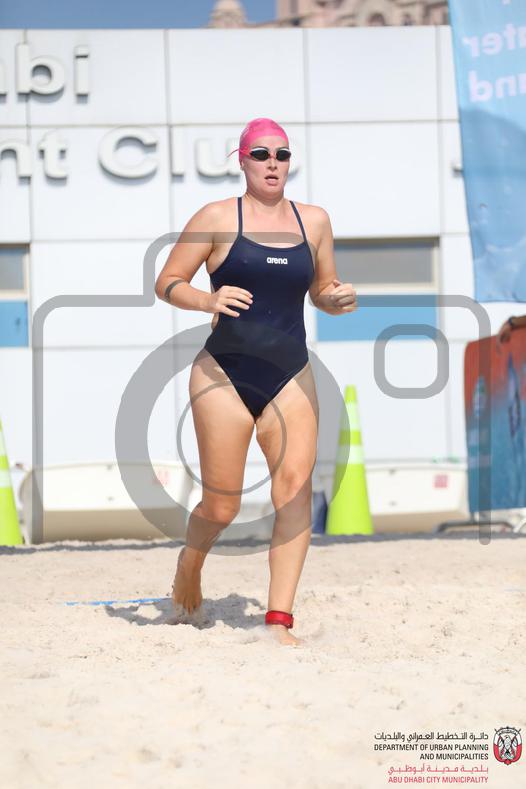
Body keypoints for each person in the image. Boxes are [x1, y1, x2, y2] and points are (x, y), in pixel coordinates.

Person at [155, 118, 357, 646]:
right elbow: (168, 282)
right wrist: (207, 298)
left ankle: (278, 621)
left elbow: (322, 289)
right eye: (261, 154)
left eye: (282, 154)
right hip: (223, 373)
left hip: (291, 372)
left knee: (294, 492)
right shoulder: (218, 217)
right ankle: (191, 562)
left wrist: (335, 299)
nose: (272, 163)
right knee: (221, 505)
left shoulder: (314, 220)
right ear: (242, 160)